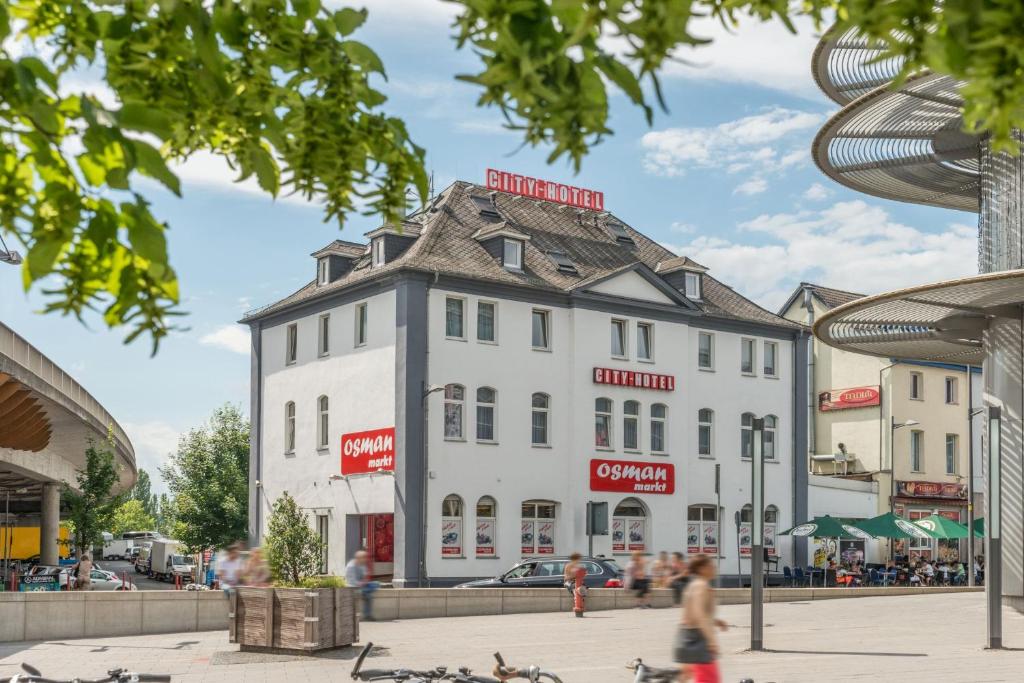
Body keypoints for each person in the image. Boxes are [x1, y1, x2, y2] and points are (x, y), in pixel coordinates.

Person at [675, 554, 727, 683]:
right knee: (709, 679)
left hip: (689, 636)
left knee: (688, 677)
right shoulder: (701, 586)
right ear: (702, 568)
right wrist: (711, 640)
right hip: (697, 638)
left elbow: (696, 612)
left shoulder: (696, 584)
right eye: (711, 565)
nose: (714, 568)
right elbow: (700, 615)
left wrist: (716, 621)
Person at [345, 549, 379, 621]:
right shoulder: (351, 566)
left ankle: (366, 591)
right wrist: (362, 583)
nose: (365, 559)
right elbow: (352, 582)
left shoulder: (362, 565)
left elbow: (365, 576)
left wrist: (365, 581)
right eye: (364, 557)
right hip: (352, 587)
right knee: (368, 596)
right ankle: (367, 615)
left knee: (376, 584)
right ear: (359, 558)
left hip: (362, 586)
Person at [563, 552, 587, 617]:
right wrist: (574, 574)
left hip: (578, 582)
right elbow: (567, 577)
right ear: (575, 559)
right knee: (575, 589)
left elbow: (583, 574)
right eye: (578, 559)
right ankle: (577, 602)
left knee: (583, 587)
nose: (579, 560)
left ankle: (580, 602)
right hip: (569, 581)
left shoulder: (579, 566)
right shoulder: (569, 565)